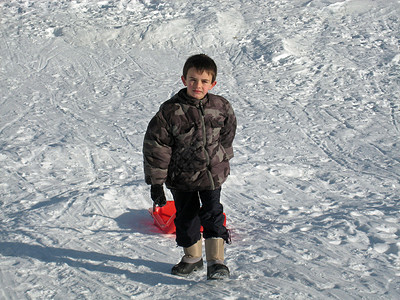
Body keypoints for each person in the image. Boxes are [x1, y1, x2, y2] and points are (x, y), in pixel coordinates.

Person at [143, 54, 237, 280]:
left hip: (211, 175)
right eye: (193, 79)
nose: (198, 85)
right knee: (186, 218)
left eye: (204, 81)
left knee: (213, 214)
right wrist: (156, 183)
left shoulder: (220, 106)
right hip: (182, 178)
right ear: (184, 79)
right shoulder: (170, 111)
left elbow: (228, 133)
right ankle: (193, 258)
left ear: (212, 83)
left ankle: (216, 262)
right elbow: (157, 146)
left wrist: (222, 156)